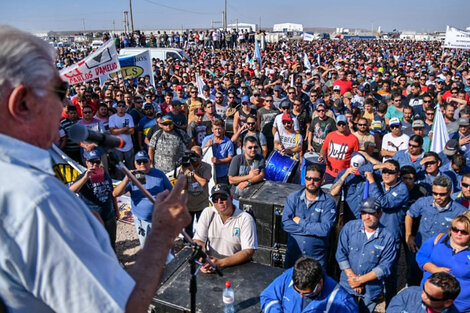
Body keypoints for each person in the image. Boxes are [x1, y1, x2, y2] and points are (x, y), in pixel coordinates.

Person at [0, 25, 190, 313]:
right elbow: (120, 308)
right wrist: (162, 233)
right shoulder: (39, 201)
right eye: (60, 90)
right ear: (23, 103)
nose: (66, 103)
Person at [336, 197, 397, 313]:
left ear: (379, 214)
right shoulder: (350, 228)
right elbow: (341, 254)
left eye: (371, 213)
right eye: (364, 213)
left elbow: (385, 267)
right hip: (347, 285)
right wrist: (353, 278)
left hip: (370, 290)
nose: (366, 217)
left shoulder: (388, 237)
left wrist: (360, 280)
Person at [113, 151, 173, 249]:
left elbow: (171, 191)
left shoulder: (159, 174)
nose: (142, 164)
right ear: (135, 164)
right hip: (143, 220)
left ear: (150, 161)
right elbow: (115, 193)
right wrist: (127, 179)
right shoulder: (131, 177)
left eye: (145, 161)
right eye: (139, 162)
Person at [193, 184, 258, 273]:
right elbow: (198, 241)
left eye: (223, 197)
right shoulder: (207, 213)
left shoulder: (245, 218)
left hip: (237, 267)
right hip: (212, 263)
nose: (219, 201)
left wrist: (220, 263)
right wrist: (203, 259)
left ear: (231, 199)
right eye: (215, 199)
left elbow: (248, 251)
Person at [282, 164, 337, 269]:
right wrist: (314, 231)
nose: (311, 182)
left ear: (322, 180)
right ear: (304, 178)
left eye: (316, 179)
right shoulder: (293, 198)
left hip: (316, 259)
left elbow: (324, 230)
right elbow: (285, 224)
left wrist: (300, 222)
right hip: (293, 256)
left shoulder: (328, 202)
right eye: (308, 178)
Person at [260, 256, 358, 313]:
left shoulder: (342, 303)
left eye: (307, 294)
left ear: (320, 282)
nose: (301, 296)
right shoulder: (290, 275)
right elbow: (268, 297)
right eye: (297, 291)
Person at [416, 215, 470, 312]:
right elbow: (421, 256)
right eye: (455, 229)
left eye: (464, 232)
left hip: (460, 306)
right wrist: (434, 269)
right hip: (430, 300)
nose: (458, 233)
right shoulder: (439, 239)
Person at [69, 150, 118, 250]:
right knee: (98, 243)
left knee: (112, 241)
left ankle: (115, 261)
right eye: (92, 162)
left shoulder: (105, 175)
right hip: (94, 218)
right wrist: (86, 178)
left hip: (109, 215)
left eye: (97, 162)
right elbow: (71, 191)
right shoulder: (82, 177)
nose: (95, 164)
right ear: (87, 163)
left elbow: (112, 194)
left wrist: (116, 210)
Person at [178, 146, 212, 238]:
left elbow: (203, 182)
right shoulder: (185, 166)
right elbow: (182, 187)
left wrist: (192, 171)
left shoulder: (207, 167)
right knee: (188, 228)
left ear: (202, 156)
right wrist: (184, 171)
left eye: (196, 156)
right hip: (188, 204)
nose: (194, 158)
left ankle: (202, 244)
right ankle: (188, 244)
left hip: (202, 204)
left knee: (203, 228)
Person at [386, 272, 461, 313]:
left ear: (447, 302)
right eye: (424, 289)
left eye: (429, 297)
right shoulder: (410, 293)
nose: (422, 296)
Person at [318, 114, 359, 184]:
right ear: (336, 125)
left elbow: (356, 157)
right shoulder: (330, 135)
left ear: (347, 124)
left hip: (344, 173)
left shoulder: (354, 139)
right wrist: (322, 156)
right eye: (339, 124)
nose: (341, 126)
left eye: (343, 124)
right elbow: (324, 149)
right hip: (329, 172)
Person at [201, 119, 234, 184]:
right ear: (212, 130)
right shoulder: (207, 139)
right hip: (208, 173)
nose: (217, 131)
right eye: (215, 129)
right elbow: (200, 152)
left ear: (223, 129)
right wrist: (206, 145)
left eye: (219, 129)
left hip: (222, 174)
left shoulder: (228, 142)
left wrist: (219, 161)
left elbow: (230, 158)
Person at [109, 100, 135, 175]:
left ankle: (133, 182)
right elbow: (112, 132)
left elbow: (132, 131)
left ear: (125, 108)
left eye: (123, 106)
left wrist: (118, 129)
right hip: (117, 147)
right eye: (119, 106)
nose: (121, 108)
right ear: (116, 107)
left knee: (131, 167)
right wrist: (125, 129)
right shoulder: (112, 118)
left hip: (129, 146)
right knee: (119, 169)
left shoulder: (129, 117)